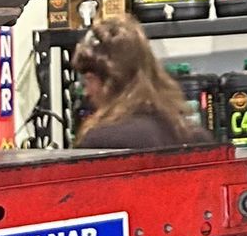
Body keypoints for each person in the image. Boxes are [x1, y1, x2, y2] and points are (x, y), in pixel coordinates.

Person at [72, 16, 204, 152]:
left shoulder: (100, 142)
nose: (86, 92)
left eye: (89, 79)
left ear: (113, 80)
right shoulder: (194, 136)